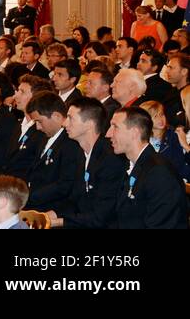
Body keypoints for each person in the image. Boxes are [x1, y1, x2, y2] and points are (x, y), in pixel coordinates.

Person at [47, 97, 124, 229]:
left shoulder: (110, 159)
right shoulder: (80, 154)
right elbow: (75, 199)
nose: (64, 123)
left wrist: (58, 222)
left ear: (89, 124)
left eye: (71, 118)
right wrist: (51, 214)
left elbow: (102, 216)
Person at [107, 107, 189, 228]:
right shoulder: (134, 164)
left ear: (134, 132)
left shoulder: (159, 173)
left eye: (115, 127)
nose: (108, 133)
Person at [23, 92, 83, 213]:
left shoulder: (71, 143)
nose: (38, 127)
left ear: (56, 116)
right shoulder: (43, 136)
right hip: (33, 204)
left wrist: (29, 198)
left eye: (40, 121)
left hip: (52, 209)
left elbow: (65, 184)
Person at [139, 101, 190, 182]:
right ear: (146, 120)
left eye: (162, 114)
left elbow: (178, 164)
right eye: (155, 116)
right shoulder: (141, 138)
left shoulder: (173, 136)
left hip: (175, 180)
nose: (160, 119)